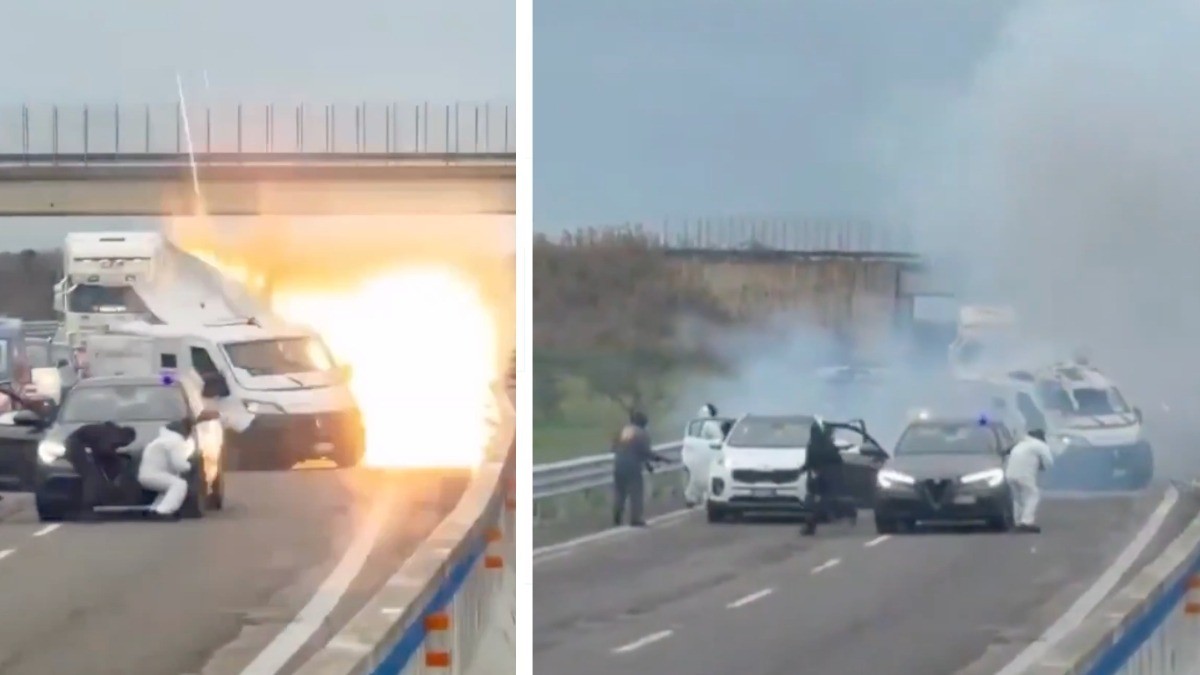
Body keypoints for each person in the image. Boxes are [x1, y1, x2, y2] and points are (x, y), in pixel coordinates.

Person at [63, 421, 138, 521]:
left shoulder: (109, 432)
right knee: (91, 476)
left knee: (96, 472)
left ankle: (97, 501)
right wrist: (116, 459)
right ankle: (87, 508)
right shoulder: (113, 434)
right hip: (74, 444)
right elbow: (103, 450)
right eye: (128, 442)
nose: (124, 445)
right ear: (127, 437)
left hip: (78, 443)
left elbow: (98, 451)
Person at [611, 410, 665, 527]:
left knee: (620, 492)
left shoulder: (623, 431)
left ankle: (617, 516)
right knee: (636, 492)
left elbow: (614, 447)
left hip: (618, 463)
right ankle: (636, 518)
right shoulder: (642, 434)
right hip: (632, 466)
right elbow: (646, 453)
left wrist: (647, 465)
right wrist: (660, 458)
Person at [137, 417, 196, 521]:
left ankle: (154, 510)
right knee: (179, 484)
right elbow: (178, 464)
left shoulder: (161, 440)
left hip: (147, 474)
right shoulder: (175, 441)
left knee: (167, 488)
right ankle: (164, 512)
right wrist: (190, 466)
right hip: (153, 475)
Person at [799, 417, 847, 536]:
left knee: (815, 500)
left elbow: (809, 462)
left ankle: (812, 523)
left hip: (816, 475)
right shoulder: (828, 445)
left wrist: (802, 469)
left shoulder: (812, 445)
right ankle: (817, 520)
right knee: (825, 500)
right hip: (828, 476)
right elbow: (837, 460)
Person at [1005, 428, 1054, 533]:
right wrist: (1042, 466)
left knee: (1017, 499)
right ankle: (1027, 522)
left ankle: (1017, 523)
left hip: (1010, 474)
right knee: (1033, 495)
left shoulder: (1020, 444)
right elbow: (1049, 461)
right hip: (1024, 475)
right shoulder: (1039, 445)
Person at [685, 403, 726, 507]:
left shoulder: (706, 424)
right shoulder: (708, 425)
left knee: (700, 477)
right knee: (701, 477)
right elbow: (719, 439)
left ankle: (695, 498)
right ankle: (694, 498)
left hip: (704, 454)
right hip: (706, 455)